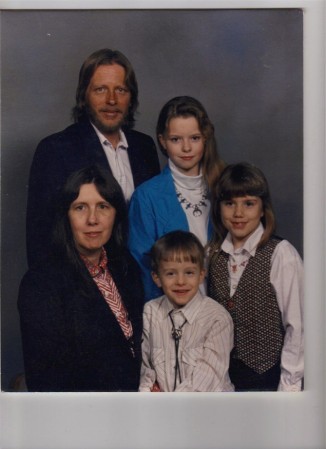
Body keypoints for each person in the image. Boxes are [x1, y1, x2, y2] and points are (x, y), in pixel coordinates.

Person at [26, 48, 160, 267]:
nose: (112, 100)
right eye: (100, 90)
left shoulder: (144, 147)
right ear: (84, 95)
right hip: (82, 287)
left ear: (131, 97)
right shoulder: (55, 149)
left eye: (121, 90)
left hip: (141, 281)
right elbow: (40, 242)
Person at [18, 166, 144, 392]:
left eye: (103, 207)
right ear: (66, 215)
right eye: (80, 208)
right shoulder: (41, 283)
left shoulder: (127, 267)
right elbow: (47, 380)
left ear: (116, 214)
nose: (92, 219)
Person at [207, 162, 304, 392]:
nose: (238, 213)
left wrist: (288, 388)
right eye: (230, 204)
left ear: (262, 209)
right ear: (219, 208)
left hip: (269, 378)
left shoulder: (281, 254)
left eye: (248, 204)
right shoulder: (211, 254)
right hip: (224, 379)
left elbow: (298, 328)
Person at [128, 96, 225, 301]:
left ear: (206, 138)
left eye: (195, 138)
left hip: (223, 310)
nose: (186, 148)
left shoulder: (223, 188)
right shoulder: (146, 197)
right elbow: (143, 269)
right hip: (170, 314)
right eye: (176, 139)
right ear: (162, 141)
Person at [139, 230, 234, 392]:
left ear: (201, 275)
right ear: (157, 278)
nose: (180, 282)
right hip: (163, 409)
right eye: (170, 273)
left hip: (206, 409)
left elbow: (208, 376)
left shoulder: (217, 318)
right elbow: (146, 368)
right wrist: (148, 394)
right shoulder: (151, 312)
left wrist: (173, 407)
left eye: (189, 273)